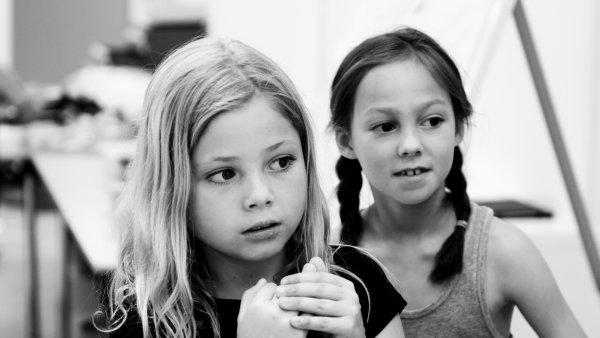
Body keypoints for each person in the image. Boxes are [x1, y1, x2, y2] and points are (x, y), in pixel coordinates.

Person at [94, 36, 406, 338]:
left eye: (281, 162)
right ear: (172, 187)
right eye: (226, 174)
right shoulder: (143, 319)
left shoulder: (357, 287)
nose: (260, 196)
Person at [329, 27, 586, 337]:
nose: (410, 145)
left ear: (459, 127)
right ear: (346, 141)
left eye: (432, 121)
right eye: (386, 126)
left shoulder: (502, 251)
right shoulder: (331, 264)